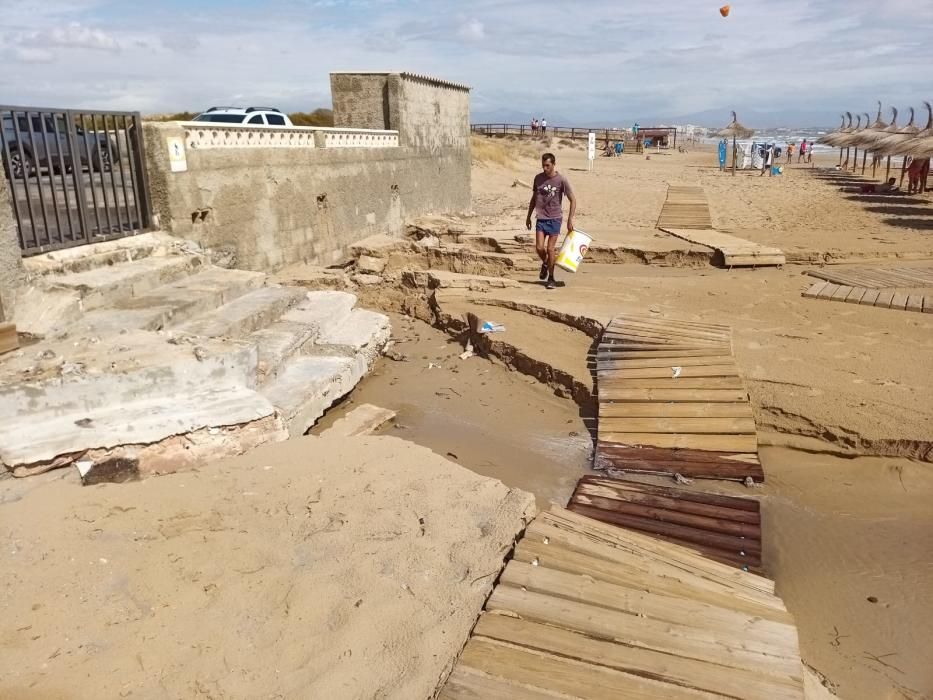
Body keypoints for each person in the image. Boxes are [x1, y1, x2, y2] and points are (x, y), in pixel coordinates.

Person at [526, 152, 576, 290]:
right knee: (539, 248)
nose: (545, 168)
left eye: (547, 165)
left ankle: (551, 277)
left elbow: (573, 200)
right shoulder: (538, 178)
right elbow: (533, 198)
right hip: (541, 218)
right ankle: (546, 263)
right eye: (543, 165)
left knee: (550, 248)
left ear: (554, 164)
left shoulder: (561, 180)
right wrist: (528, 216)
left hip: (555, 218)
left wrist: (570, 219)